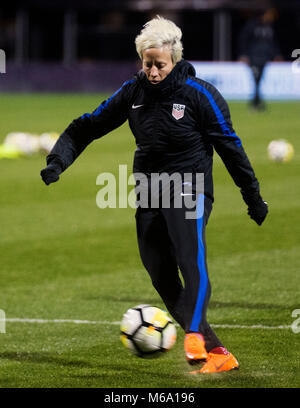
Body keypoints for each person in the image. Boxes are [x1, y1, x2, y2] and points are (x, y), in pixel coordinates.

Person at [41, 16, 268, 374]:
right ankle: (219, 352)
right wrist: (58, 161)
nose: (152, 71)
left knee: (189, 259)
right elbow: (88, 125)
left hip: (189, 189)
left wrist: (252, 196)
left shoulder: (201, 95)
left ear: (174, 59)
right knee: (159, 272)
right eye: (146, 63)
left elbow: (231, 149)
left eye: (159, 64)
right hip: (149, 192)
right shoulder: (134, 92)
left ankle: (193, 334)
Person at [238, 7, 282, 110]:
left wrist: (276, 54)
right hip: (253, 58)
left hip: (264, 58)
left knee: (259, 80)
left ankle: (256, 102)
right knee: (256, 79)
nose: (272, 17)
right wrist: (243, 55)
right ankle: (256, 103)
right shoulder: (252, 25)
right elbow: (243, 40)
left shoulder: (269, 28)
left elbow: (272, 43)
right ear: (265, 14)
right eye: (270, 14)